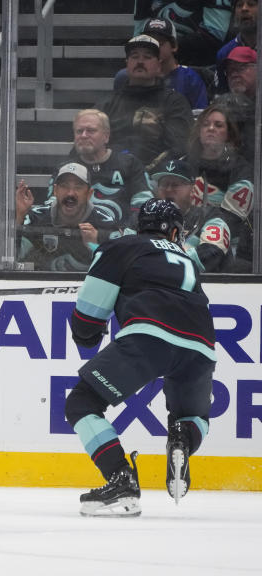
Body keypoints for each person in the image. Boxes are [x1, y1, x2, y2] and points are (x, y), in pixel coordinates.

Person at [65, 198, 216, 516]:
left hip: (151, 336)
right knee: (192, 417)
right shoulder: (187, 258)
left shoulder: (120, 247)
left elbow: (87, 326)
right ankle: (182, 440)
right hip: (202, 345)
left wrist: (86, 330)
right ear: (175, 231)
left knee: (81, 404)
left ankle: (120, 479)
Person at [96, 34, 192, 168]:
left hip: (157, 179)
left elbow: (179, 148)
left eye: (147, 57)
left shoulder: (174, 103)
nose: (140, 61)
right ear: (127, 64)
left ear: (159, 65)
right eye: (134, 56)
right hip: (109, 176)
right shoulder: (107, 104)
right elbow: (88, 142)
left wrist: (146, 173)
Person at [42, 109, 151, 225]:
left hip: (121, 237)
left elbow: (144, 204)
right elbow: (51, 206)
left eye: (91, 131)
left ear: (106, 136)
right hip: (76, 237)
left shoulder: (130, 164)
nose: (83, 135)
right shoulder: (64, 169)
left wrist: (126, 234)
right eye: (79, 131)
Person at [16, 162, 122, 272]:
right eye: (64, 186)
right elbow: (16, 259)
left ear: (89, 194)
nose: (70, 193)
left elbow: (119, 269)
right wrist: (19, 216)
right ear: (55, 191)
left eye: (78, 187)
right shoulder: (37, 218)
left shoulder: (106, 224)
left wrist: (96, 246)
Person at [185, 103, 253, 266]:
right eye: (206, 124)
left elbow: (233, 217)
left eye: (218, 125)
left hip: (227, 242)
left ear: (228, 134)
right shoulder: (185, 163)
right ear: (199, 131)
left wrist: (194, 239)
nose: (211, 128)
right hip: (184, 233)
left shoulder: (241, 169)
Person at [149, 158, 236, 273]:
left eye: (175, 185)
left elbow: (212, 252)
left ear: (193, 190)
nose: (169, 189)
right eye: (164, 184)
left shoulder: (211, 217)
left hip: (209, 287)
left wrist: (160, 266)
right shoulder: (145, 217)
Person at [113, 18, 207, 110]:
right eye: (148, 44)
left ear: (174, 45)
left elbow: (199, 119)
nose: (154, 48)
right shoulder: (126, 76)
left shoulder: (190, 79)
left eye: (159, 43)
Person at [214, 0, 257, 94]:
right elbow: (222, 96)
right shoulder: (224, 53)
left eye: (251, 4)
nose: (244, 9)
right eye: (239, 5)